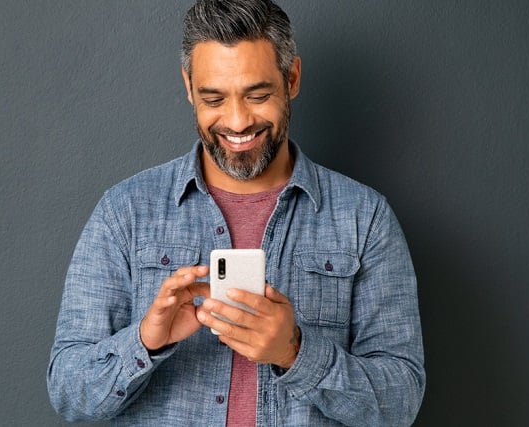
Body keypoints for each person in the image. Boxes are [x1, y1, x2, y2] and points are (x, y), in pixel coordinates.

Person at [47, 0, 425, 425]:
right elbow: (69, 391)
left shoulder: (365, 219)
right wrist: (145, 342)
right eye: (213, 99)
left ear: (293, 78)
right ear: (189, 86)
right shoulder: (125, 212)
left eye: (258, 95)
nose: (238, 121)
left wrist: (294, 353)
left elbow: (400, 401)